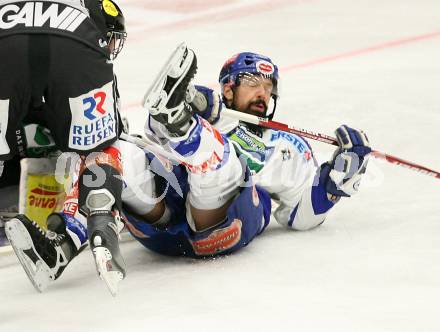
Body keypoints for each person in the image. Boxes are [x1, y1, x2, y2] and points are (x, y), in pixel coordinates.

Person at [5, 44, 372, 295]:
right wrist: (192, 102)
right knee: (113, 148)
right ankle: (60, 248)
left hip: (223, 225)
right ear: (227, 89)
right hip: (162, 229)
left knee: (226, 161)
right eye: (251, 83)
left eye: (268, 86)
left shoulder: (287, 147)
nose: (262, 92)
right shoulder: (211, 109)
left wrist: (337, 179)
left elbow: (300, 215)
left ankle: (186, 129)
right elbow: (150, 134)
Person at [1, 0, 128, 294]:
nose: (111, 47)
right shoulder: (88, 36)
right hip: (74, 48)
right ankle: (101, 220)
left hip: (4, 43)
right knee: (100, 148)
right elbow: (104, 147)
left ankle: (68, 235)